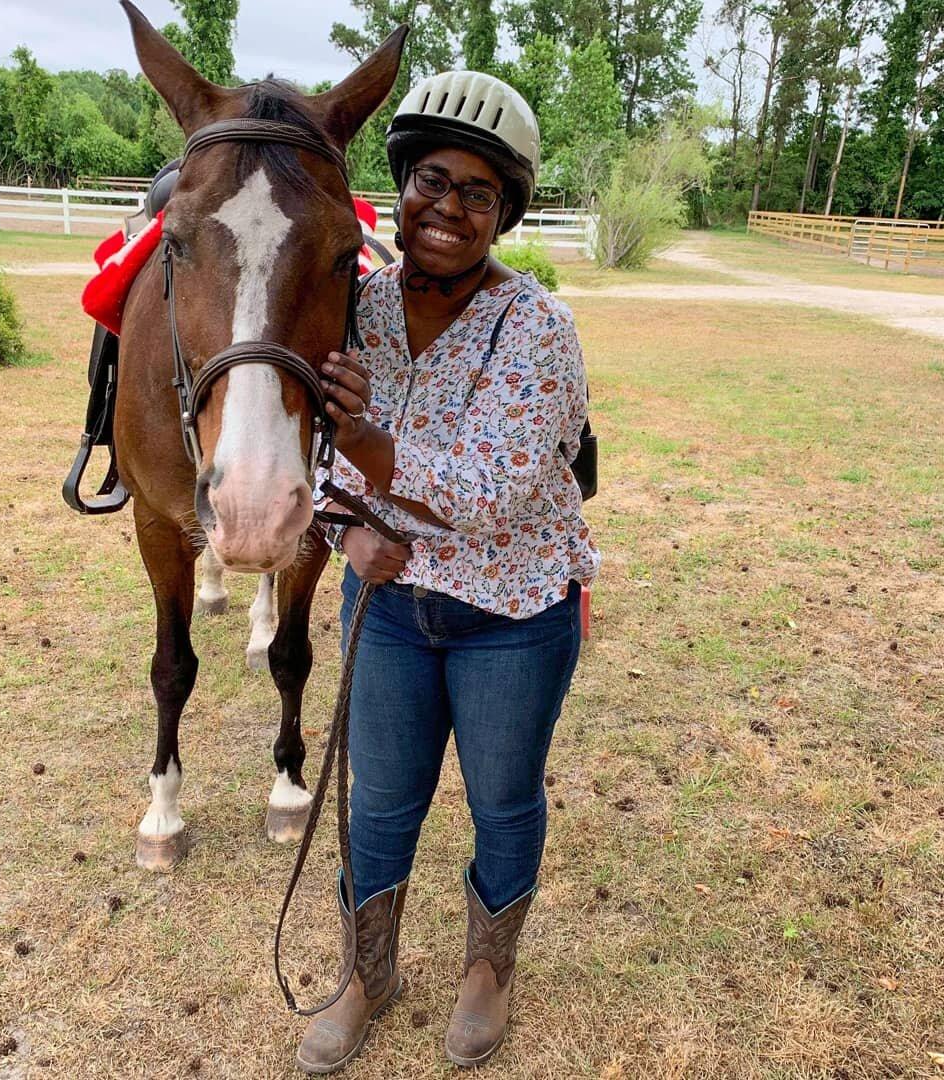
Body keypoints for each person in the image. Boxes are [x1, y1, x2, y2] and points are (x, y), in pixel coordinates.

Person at [296, 69, 601, 1075]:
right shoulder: (360, 307)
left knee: (503, 796)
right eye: (433, 180)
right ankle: (366, 975)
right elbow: (314, 443)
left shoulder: (540, 329)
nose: (449, 209)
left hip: (512, 614)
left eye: (479, 193)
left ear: (505, 213)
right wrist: (347, 531)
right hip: (388, 602)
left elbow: (496, 494)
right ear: (401, 184)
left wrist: (379, 455)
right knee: (379, 801)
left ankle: (487, 971)